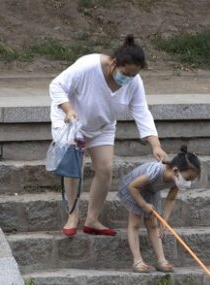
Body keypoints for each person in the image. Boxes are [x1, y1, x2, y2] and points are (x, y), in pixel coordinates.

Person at [49, 34, 167, 237]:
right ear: (113, 63)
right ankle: (72, 215)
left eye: (133, 75)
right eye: (125, 73)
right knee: (73, 166)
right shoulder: (88, 66)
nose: (128, 79)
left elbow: (141, 111)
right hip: (72, 121)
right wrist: (68, 110)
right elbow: (56, 86)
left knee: (105, 168)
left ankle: (92, 219)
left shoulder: (133, 82)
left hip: (103, 125)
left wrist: (155, 145)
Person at [118, 145, 201, 273]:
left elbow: (171, 200)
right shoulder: (155, 171)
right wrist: (144, 205)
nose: (188, 182)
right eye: (188, 178)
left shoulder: (176, 180)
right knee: (134, 223)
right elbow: (132, 186)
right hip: (135, 189)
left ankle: (161, 260)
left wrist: (164, 221)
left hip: (151, 191)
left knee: (153, 224)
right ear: (175, 171)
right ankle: (137, 261)